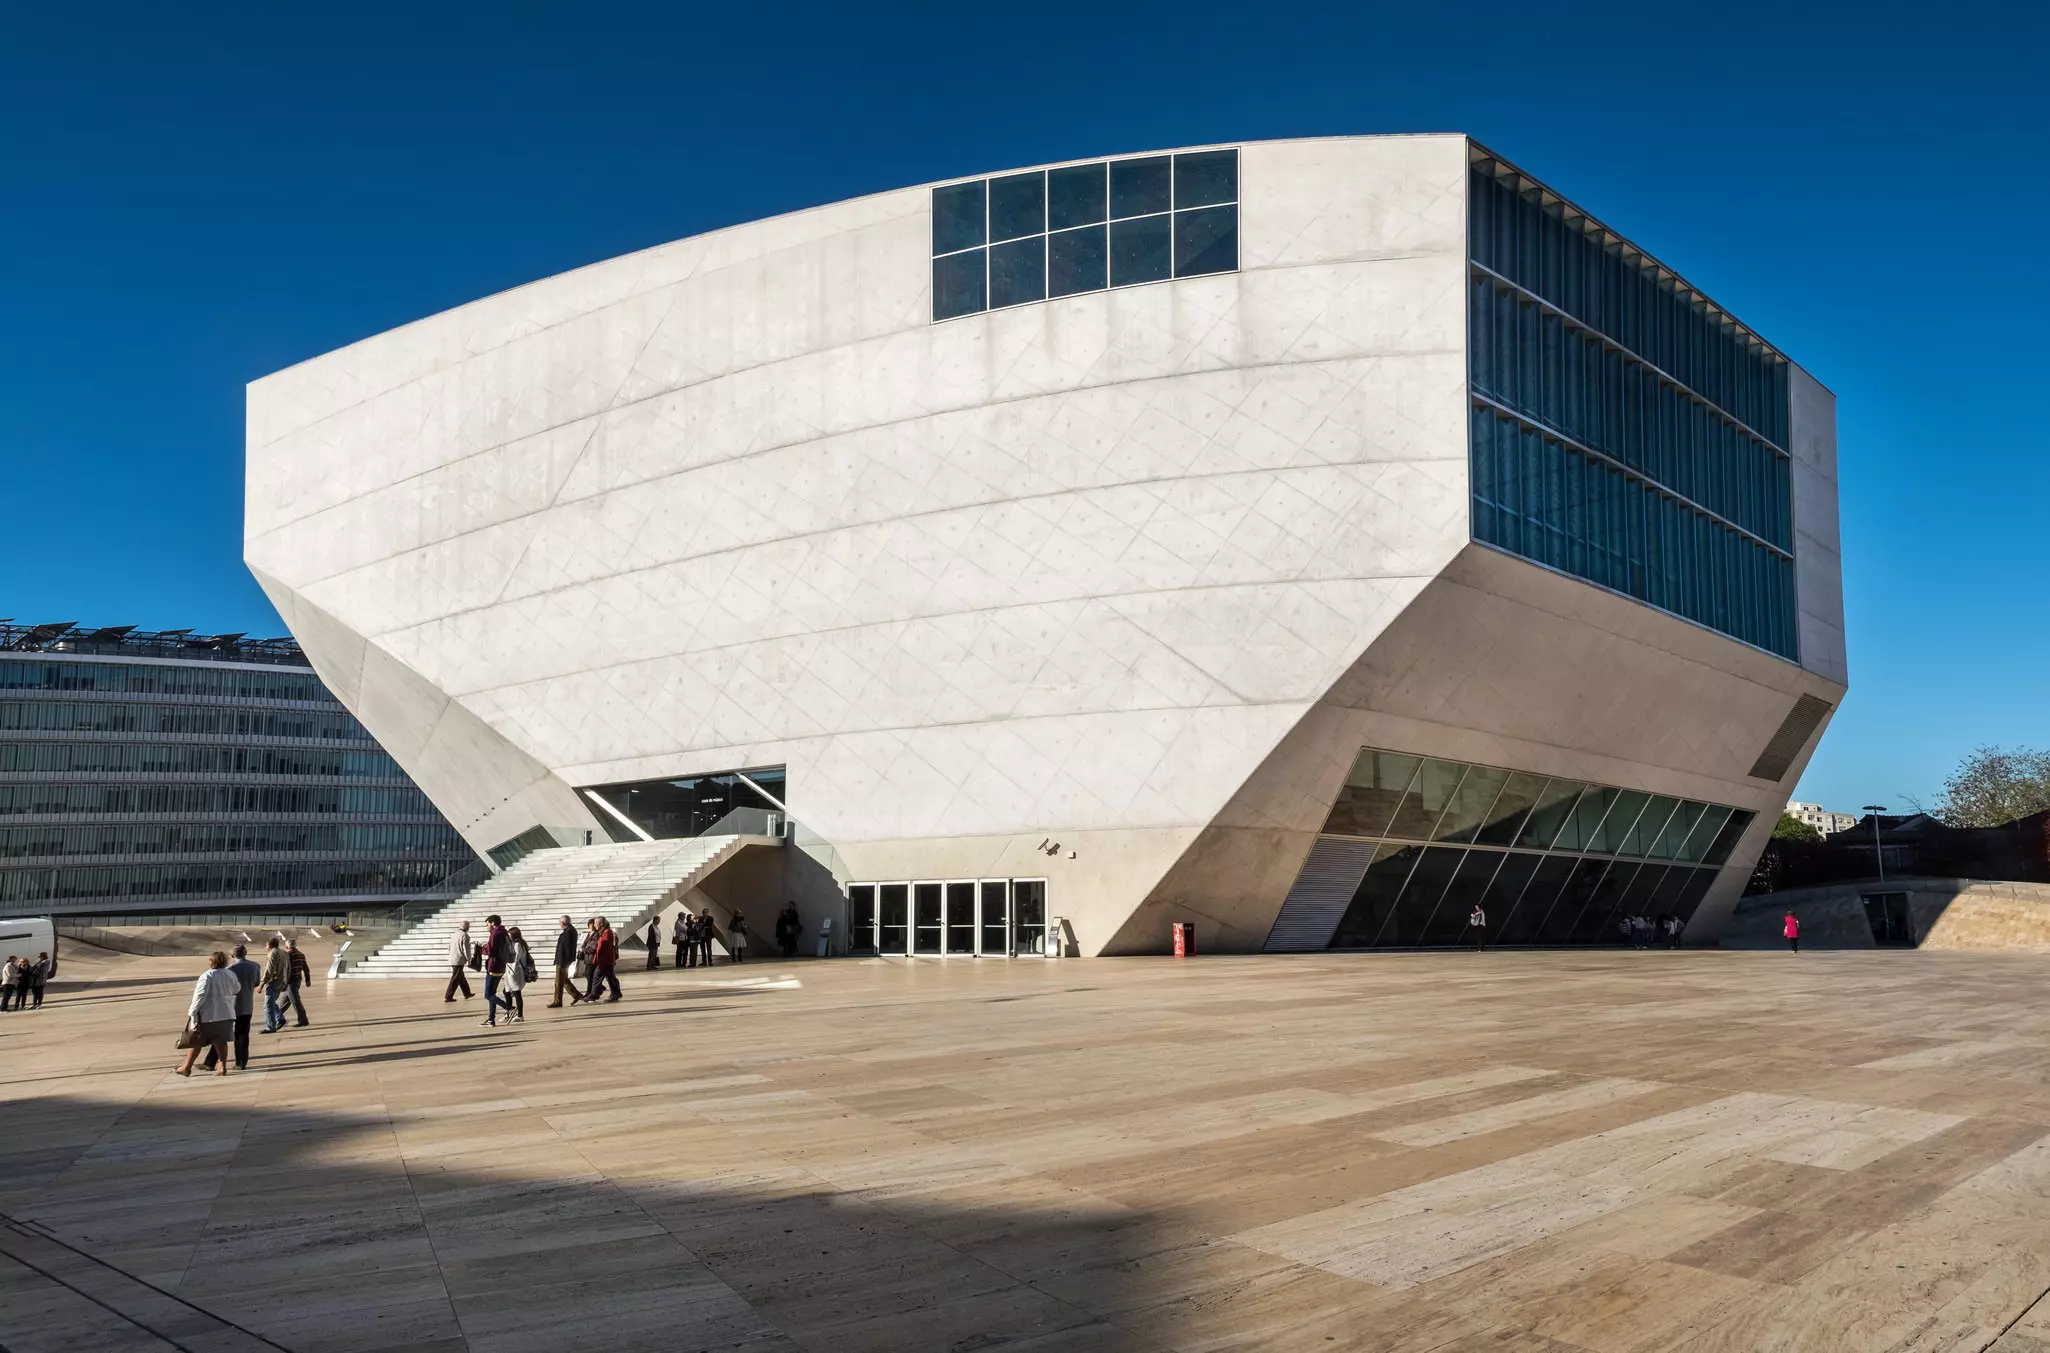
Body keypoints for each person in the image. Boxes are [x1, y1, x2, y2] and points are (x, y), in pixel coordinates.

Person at [176, 951, 238, 1078]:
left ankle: (186, 1067)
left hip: (209, 1014)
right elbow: (237, 989)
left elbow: (200, 995)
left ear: (211, 962)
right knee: (221, 1041)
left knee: (197, 1041)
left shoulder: (207, 976)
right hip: (226, 1012)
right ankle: (222, 1067)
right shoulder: (230, 974)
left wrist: (192, 1011)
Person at [203, 945, 262, 1072]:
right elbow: (256, 983)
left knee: (221, 1035)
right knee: (243, 1035)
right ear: (245, 953)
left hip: (230, 1006)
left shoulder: (229, 969)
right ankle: (241, 1062)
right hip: (247, 1005)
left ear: (232, 956)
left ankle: (210, 1062)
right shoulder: (255, 966)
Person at [480, 914, 511, 1027]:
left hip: (493, 966)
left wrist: (482, 948)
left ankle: (509, 1008)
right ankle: (491, 1020)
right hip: (501, 965)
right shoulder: (503, 932)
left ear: (492, 923)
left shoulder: (495, 933)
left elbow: (491, 951)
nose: (486, 927)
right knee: (492, 994)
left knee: (488, 995)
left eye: (487, 924)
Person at [549, 915, 584, 1008]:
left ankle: (557, 1001)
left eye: (560, 923)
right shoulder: (569, 931)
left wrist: (564, 961)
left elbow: (567, 948)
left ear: (563, 923)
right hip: (563, 959)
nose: (559, 924)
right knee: (564, 980)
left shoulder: (569, 932)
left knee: (558, 982)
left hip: (563, 960)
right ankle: (577, 995)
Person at [257, 937, 290, 1034]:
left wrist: (261, 985)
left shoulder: (272, 953)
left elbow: (269, 971)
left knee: (268, 1005)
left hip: (274, 981)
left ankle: (270, 1027)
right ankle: (280, 1018)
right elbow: (288, 967)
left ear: (269, 945)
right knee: (271, 1002)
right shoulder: (284, 953)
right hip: (282, 980)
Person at [498, 926, 530, 1023]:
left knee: (516, 992)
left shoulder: (517, 945)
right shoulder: (516, 944)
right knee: (506, 991)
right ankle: (509, 1012)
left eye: (509, 935)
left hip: (514, 971)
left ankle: (520, 1015)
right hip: (510, 970)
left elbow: (515, 959)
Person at [590, 919, 621, 1002]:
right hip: (606, 960)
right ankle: (616, 994)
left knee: (597, 977)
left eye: (596, 923)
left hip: (605, 960)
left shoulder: (607, 933)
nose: (594, 925)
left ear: (602, 924)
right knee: (610, 978)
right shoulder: (604, 932)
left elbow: (604, 947)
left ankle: (594, 995)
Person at [445, 920, 475, 1002]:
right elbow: (466, 950)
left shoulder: (454, 934)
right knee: (455, 978)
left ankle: (467, 993)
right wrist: (469, 960)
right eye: (468, 926)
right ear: (467, 927)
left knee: (461, 977)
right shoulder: (465, 936)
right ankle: (448, 996)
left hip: (453, 958)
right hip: (459, 960)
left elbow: (449, 947)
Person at [284, 939, 312, 1027]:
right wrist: (308, 980)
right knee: (285, 1001)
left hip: (290, 981)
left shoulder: (288, 955)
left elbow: (284, 969)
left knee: (296, 1001)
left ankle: (303, 1020)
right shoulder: (301, 954)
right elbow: (306, 968)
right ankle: (276, 1017)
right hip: (298, 980)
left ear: (287, 947)